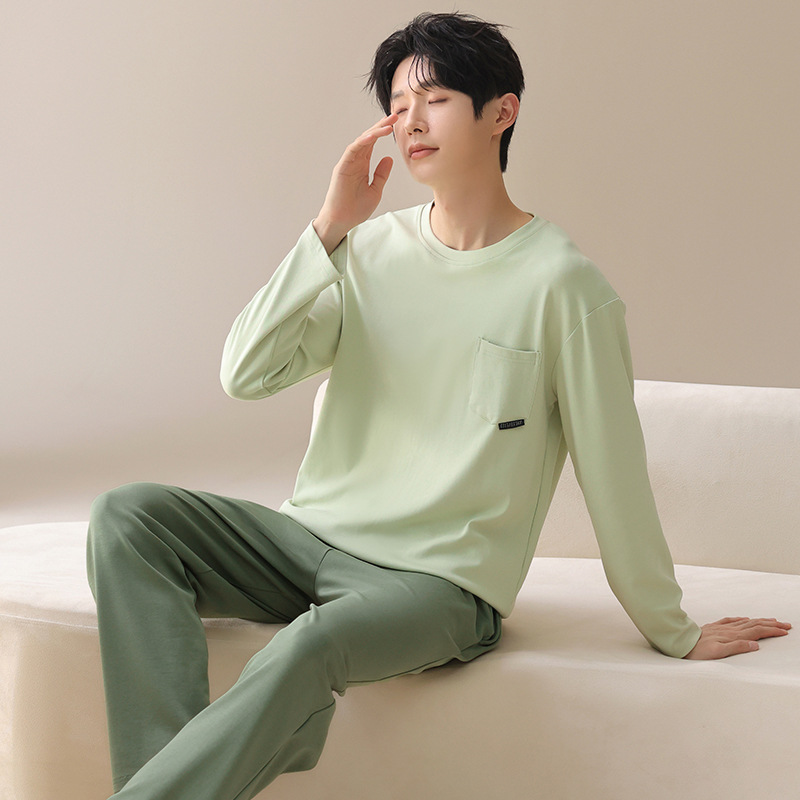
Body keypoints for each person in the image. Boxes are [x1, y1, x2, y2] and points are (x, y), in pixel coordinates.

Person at [86, 11, 790, 800]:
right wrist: (328, 228)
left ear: (502, 112)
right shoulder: (368, 252)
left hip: (438, 588)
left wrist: (673, 628)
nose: (411, 122)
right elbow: (246, 372)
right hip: (308, 539)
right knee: (129, 516)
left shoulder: (565, 288)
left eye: (437, 98)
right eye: (397, 104)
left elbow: (612, 472)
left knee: (312, 645)